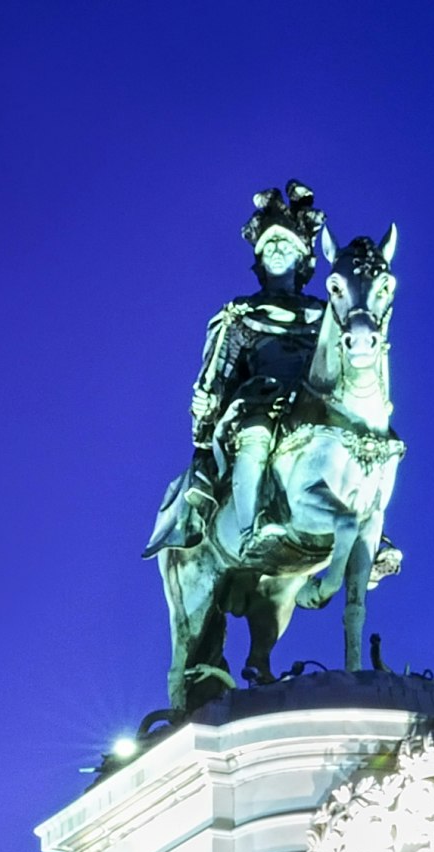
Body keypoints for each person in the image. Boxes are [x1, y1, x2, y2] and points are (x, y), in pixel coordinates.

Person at [147, 182, 330, 570]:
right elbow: (221, 370)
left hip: (314, 402)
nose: (276, 250)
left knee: (360, 440)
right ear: (259, 259)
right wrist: (209, 403)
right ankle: (250, 533)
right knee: (257, 434)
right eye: (269, 245)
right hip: (261, 401)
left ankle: (370, 537)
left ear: (302, 258)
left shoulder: (325, 316)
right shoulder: (241, 314)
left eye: (285, 244)